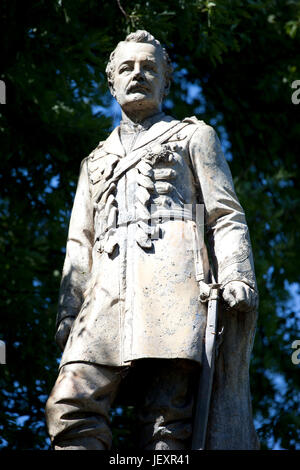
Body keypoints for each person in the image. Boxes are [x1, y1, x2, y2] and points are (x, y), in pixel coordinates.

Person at [45, 30, 259, 450]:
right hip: (103, 298)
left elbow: (224, 214)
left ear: (166, 80)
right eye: (127, 67)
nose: (138, 74)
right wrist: (68, 313)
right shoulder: (95, 161)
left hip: (174, 288)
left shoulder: (193, 136)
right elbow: (79, 242)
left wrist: (237, 274)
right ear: (112, 82)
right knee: (70, 404)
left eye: (149, 67)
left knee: (167, 420)